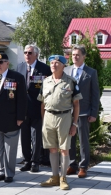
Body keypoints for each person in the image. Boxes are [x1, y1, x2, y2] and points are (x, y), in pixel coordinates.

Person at [38, 55, 82, 190]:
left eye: (57, 63)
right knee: (52, 148)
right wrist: (44, 120)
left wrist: (74, 124)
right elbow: (42, 103)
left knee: (64, 149)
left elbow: (76, 105)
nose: (53, 65)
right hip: (49, 117)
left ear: (63, 66)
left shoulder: (71, 81)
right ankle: (54, 176)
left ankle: (63, 178)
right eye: (52, 63)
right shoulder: (46, 81)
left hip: (64, 118)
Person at [0, 53, 27, 183]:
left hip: (11, 119)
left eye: (1, 62)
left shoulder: (16, 77)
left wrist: (20, 117)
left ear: (7, 63)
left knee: (10, 148)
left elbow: (22, 100)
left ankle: (9, 173)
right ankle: (1, 171)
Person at [64, 45, 100, 178]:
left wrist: (93, 113)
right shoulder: (66, 70)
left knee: (83, 140)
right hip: (68, 112)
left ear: (84, 56)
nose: (75, 57)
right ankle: (72, 165)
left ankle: (83, 167)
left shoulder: (91, 72)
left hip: (84, 112)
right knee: (70, 139)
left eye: (78, 55)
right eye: (73, 55)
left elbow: (95, 94)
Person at [16, 45, 52, 172]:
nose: (27, 55)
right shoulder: (19, 67)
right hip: (23, 109)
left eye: (30, 53)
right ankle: (27, 160)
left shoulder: (44, 69)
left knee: (36, 136)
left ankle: (35, 162)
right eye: (25, 52)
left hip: (37, 108)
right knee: (24, 136)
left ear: (36, 54)